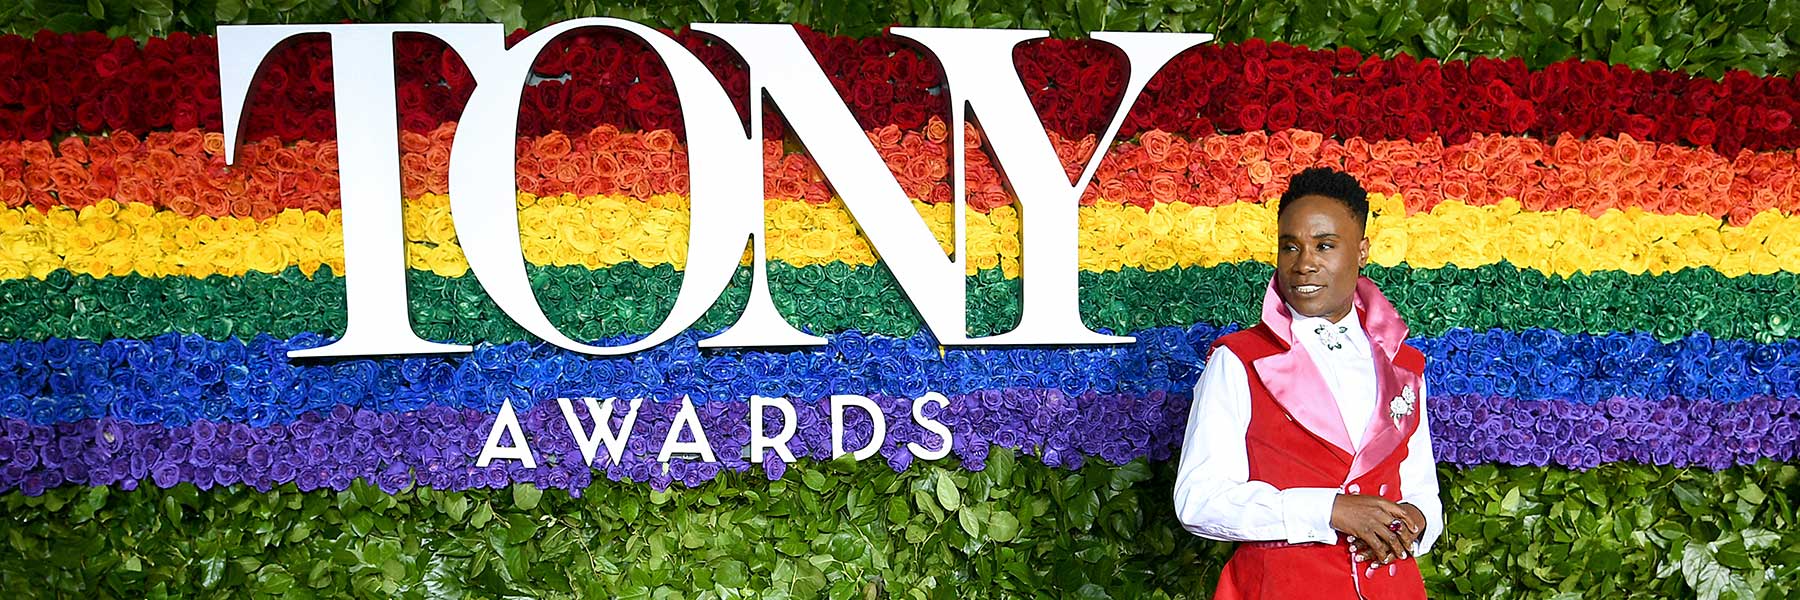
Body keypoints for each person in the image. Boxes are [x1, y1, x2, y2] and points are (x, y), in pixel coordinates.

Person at [1173, 167, 1443, 599]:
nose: (1304, 264)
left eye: (1325, 245)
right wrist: (1328, 510)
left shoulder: (1406, 364)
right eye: (1290, 246)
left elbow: (1421, 488)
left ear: (1363, 251)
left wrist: (1417, 518)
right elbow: (1198, 500)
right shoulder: (1239, 360)